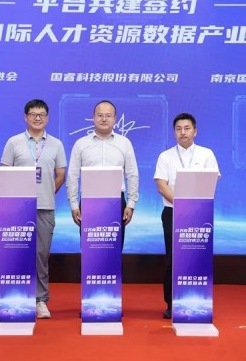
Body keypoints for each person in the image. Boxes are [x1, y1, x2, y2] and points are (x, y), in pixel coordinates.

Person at [0, 99, 67, 319]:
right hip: (17, 208)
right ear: (25, 117)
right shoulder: (14, 142)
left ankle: (40, 300)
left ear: (47, 118)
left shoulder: (56, 144)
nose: (38, 118)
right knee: (17, 253)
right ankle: (17, 298)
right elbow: (5, 173)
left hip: (45, 206)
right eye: (33, 114)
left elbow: (60, 175)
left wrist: (47, 191)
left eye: (42, 115)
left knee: (41, 255)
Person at [153, 112, 220, 319]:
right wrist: (182, 204)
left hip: (200, 214)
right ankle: (171, 304)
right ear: (174, 132)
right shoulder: (165, 156)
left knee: (197, 256)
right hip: (173, 212)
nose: (183, 132)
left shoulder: (206, 154)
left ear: (195, 131)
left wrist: (193, 206)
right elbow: (161, 185)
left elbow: (213, 181)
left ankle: (199, 301)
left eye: (187, 128)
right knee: (173, 258)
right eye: (178, 129)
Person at [66, 100, 139, 249]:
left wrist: (131, 204)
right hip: (89, 200)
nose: (104, 119)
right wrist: (73, 205)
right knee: (90, 248)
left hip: (116, 201)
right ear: (93, 117)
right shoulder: (81, 144)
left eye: (108, 115)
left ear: (115, 118)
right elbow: (73, 176)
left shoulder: (124, 143)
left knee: (114, 247)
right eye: (100, 115)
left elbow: (132, 175)